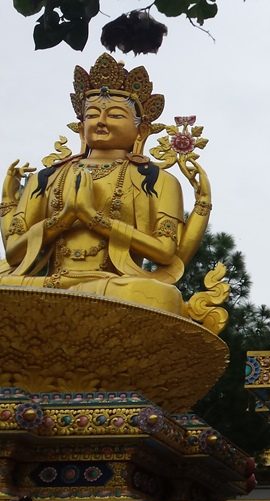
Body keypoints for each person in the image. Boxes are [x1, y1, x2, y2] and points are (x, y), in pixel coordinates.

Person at [0, 53, 213, 314]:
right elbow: (13, 253)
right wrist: (65, 218)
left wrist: (93, 218)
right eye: (92, 114)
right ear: (81, 127)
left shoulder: (157, 180)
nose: (100, 121)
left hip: (114, 286)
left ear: (141, 131)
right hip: (47, 283)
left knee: (160, 296)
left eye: (114, 115)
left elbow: (165, 252)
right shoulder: (45, 178)